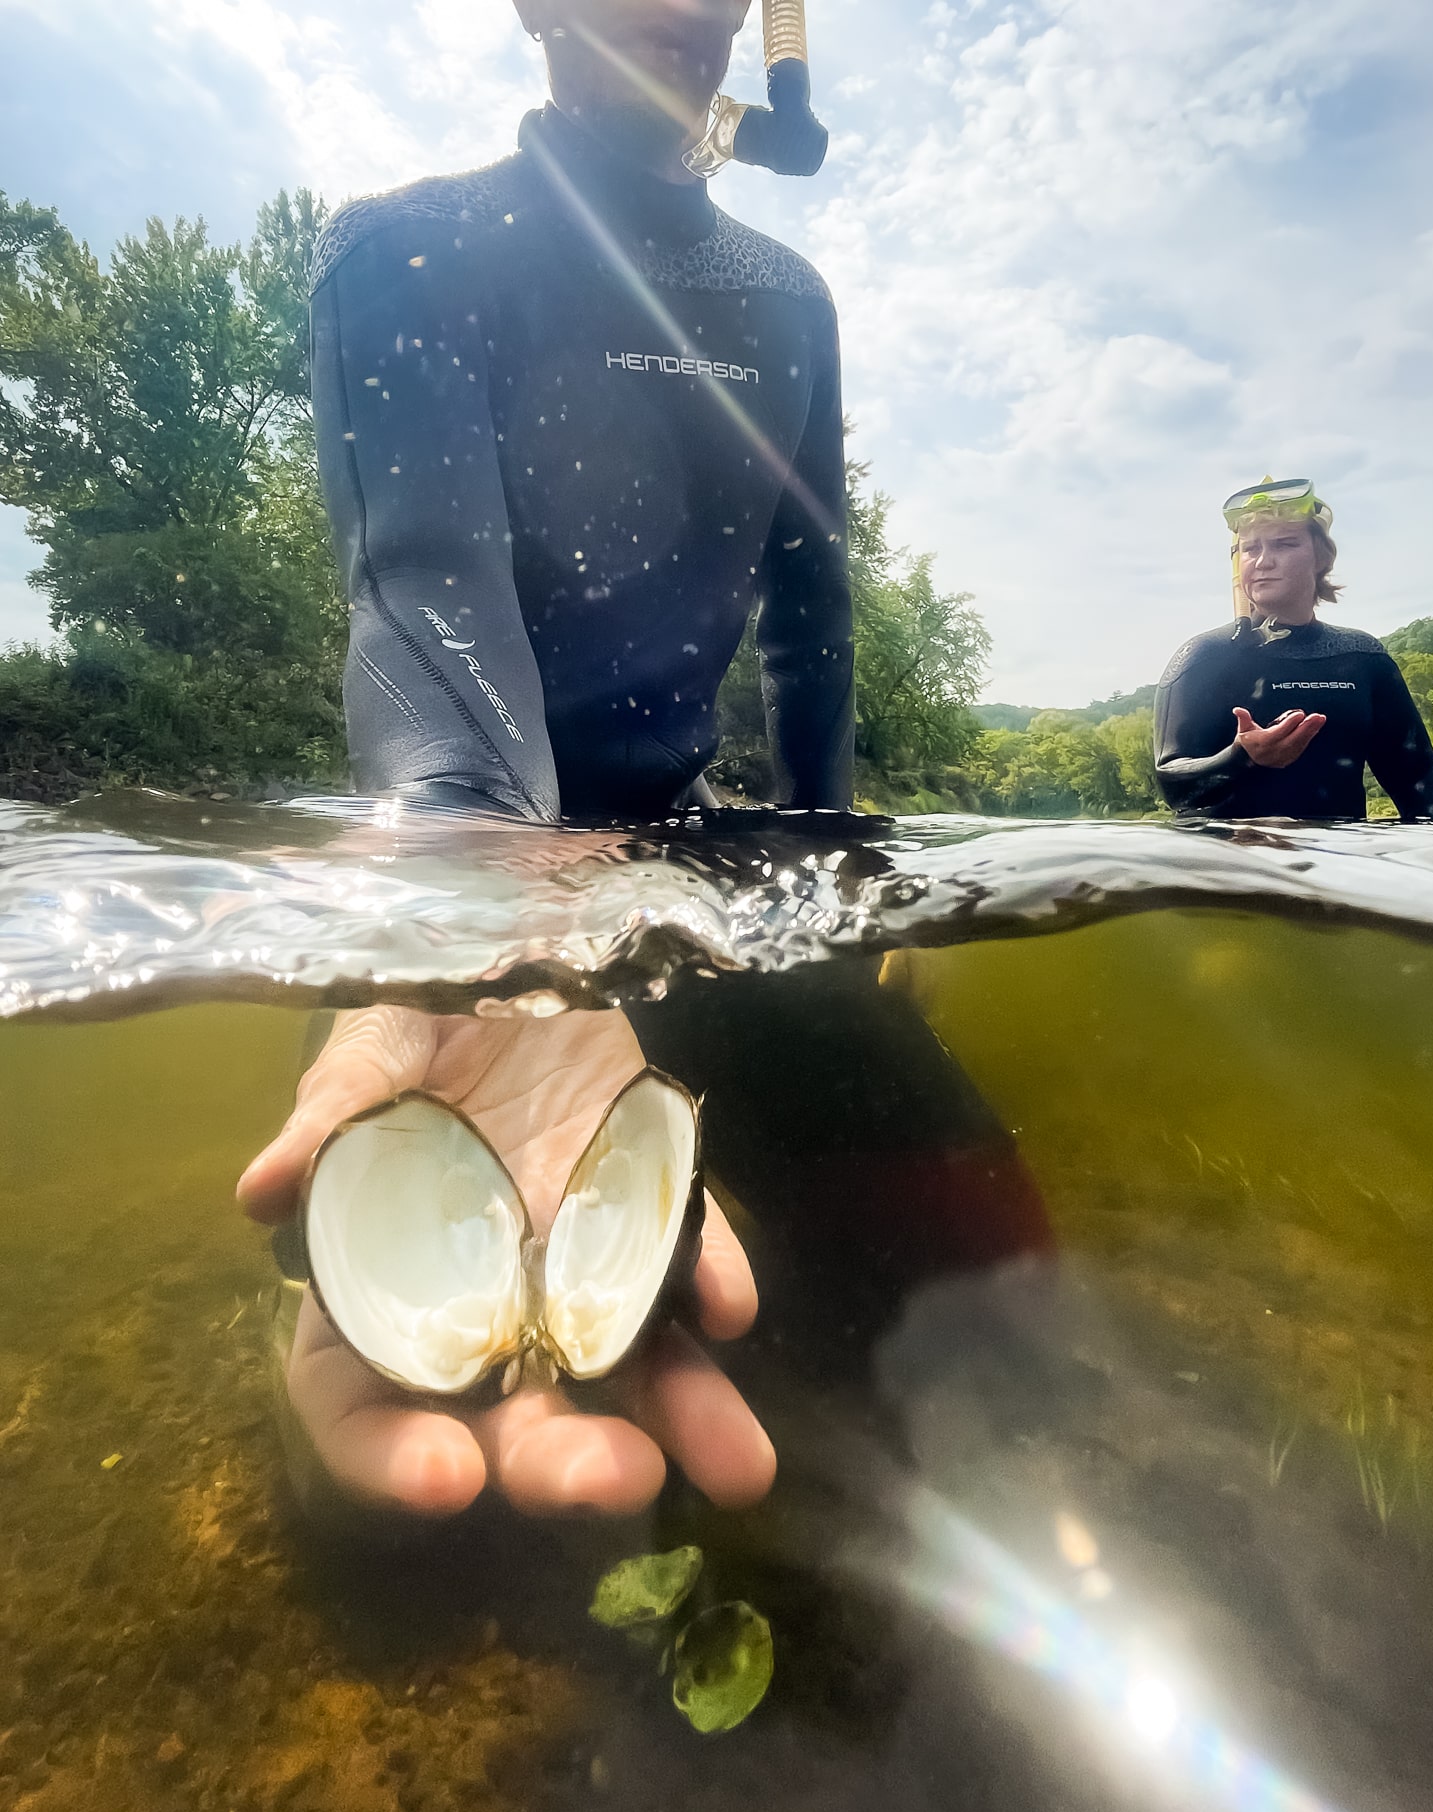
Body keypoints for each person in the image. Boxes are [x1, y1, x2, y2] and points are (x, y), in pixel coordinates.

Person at [238, 0, 1051, 1528]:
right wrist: (495, 941)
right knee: (395, 1469)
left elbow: (814, 636)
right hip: (470, 893)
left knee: (994, 1275)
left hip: (704, 872)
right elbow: (423, 595)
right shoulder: (406, 249)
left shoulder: (783, 299)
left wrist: (845, 909)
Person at [1153, 479, 1433, 821]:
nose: (1263, 561)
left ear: (1321, 557)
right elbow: (1173, 786)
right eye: (1251, 548)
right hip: (1233, 868)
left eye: (1284, 544)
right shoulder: (1205, 657)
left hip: (1335, 867)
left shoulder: (1363, 658)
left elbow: (1424, 791)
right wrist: (1242, 757)